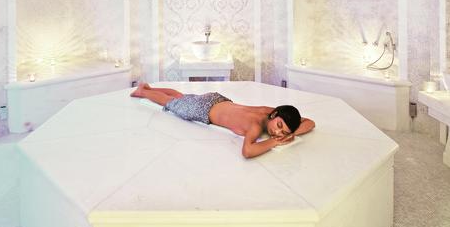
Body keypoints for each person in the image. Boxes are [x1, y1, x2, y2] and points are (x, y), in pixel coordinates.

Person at [130, 83, 315, 159]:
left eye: (283, 132)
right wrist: (274, 141)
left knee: (183, 97)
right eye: (279, 126)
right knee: (171, 103)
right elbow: (247, 151)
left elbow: (310, 122)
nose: (277, 132)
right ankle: (143, 91)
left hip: (218, 99)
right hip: (203, 110)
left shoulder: (269, 111)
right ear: (275, 115)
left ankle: (149, 88)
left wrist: (289, 133)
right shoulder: (255, 126)